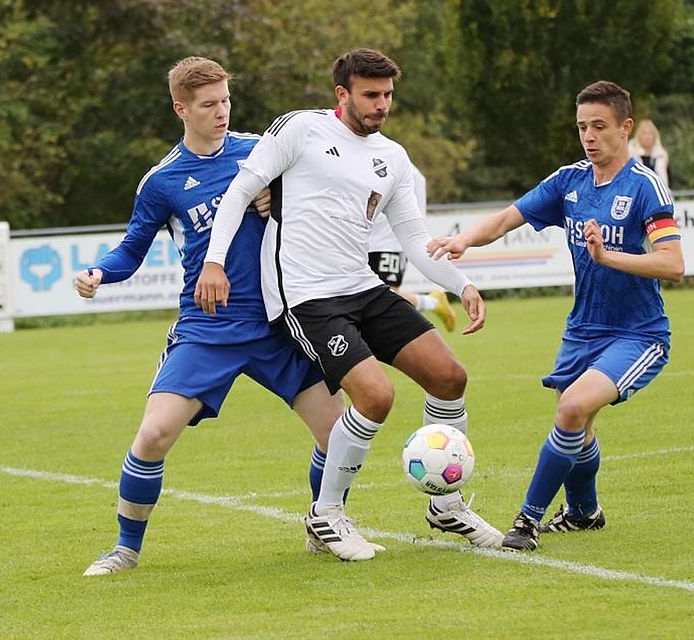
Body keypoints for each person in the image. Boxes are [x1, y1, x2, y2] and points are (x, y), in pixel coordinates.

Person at [195, 48, 504, 561]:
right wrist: (215, 262)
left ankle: (445, 505)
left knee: (450, 376)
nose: (382, 105)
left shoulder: (394, 158)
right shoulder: (299, 130)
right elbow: (239, 191)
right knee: (375, 396)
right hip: (305, 295)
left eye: (387, 95)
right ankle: (327, 513)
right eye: (370, 95)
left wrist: (462, 283)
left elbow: (413, 238)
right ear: (343, 94)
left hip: (361, 286)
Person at [74, 56, 355, 576]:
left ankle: (324, 521)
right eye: (209, 105)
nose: (222, 111)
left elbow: (320, 191)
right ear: (181, 109)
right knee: (154, 435)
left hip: (279, 322)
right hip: (209, 327)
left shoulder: (258, 152)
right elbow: (131, 250)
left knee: (338, 433)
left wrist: (282, 199)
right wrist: (98, 273)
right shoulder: (162, 181)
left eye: (225, 100)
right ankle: (125, 550)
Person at [429, 80, 684, 551]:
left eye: (599, 126)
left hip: (639, 332)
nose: (589, 136)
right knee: (579, 426)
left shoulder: (645, 187)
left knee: (571, 409)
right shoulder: (570, 181)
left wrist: (610, 257)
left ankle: (526, 520)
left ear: (626, 128)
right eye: (582, 126)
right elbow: (508, 217)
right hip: (583, 328)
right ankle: (585, 512)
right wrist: (465, 240)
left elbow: (673, 263)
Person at [368, 161, 457, 332]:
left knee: (384, 296)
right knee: (370, 295)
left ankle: (432, 305)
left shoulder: (392, 159)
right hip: (368, 239)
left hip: (389, 241)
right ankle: (433, 302)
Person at [628, 118, 670, 187]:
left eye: (650, 134)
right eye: (644, 133)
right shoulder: (630, 155)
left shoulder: (661, 156)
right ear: (639, 135)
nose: (647, 137)